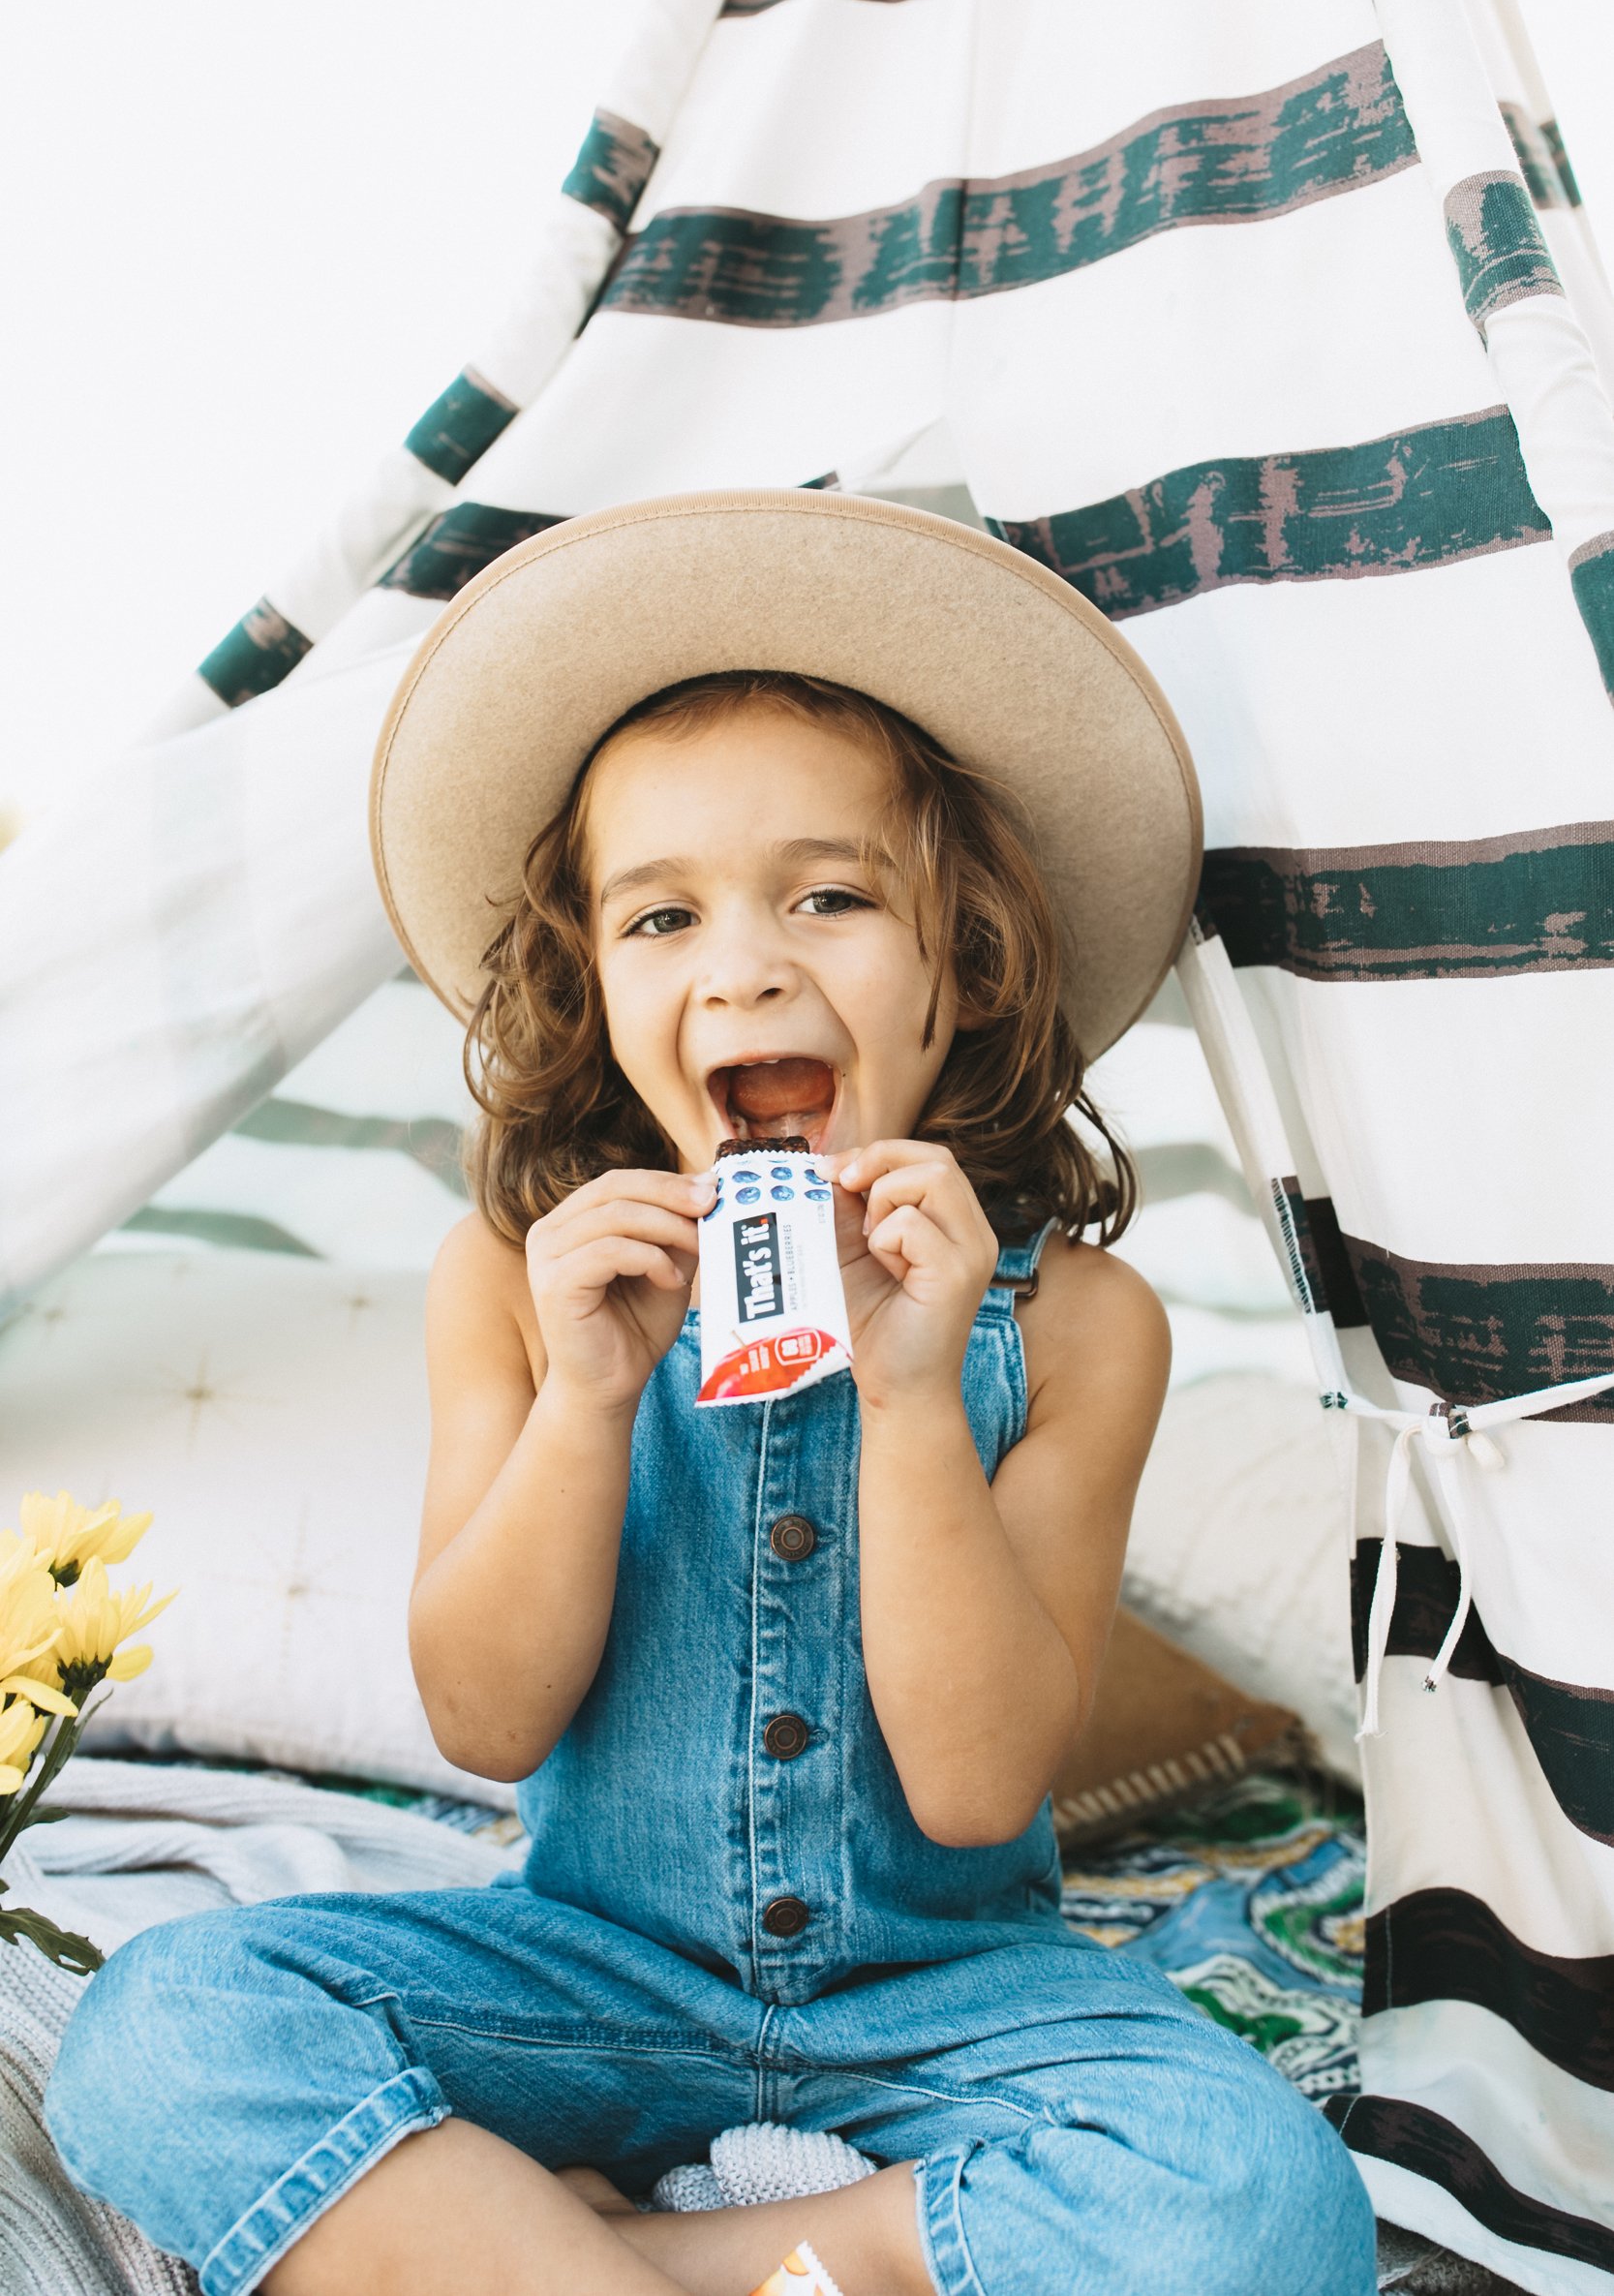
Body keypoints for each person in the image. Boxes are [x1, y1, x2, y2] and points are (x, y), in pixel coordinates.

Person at [46, 493, 1375, 2296]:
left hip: (955, 2000)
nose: (744, 963)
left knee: (1262, 2201)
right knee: (163, 2024)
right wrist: (590, 1400)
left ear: (964, 966)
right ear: (593, 990)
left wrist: (912, 1399)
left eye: (828, 896)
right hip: (594, 1974)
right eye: (661, 916)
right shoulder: (511, 1287)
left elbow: (982, 1788)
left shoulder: (1078, 1326)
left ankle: (645, 2256)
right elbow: (484, 1720)